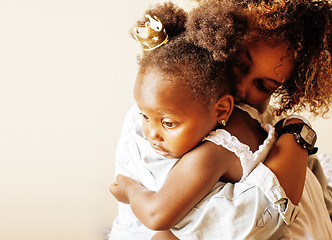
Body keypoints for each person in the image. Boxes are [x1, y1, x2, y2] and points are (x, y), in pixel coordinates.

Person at [109, 1, 332, 239]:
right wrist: (296, 135)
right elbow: (246, 221)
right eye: (239, 64)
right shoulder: (160, 116)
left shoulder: (260, 122)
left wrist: (296, 135)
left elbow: (320, 199)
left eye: (263, 86)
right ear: (219, 41)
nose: (241, 89)